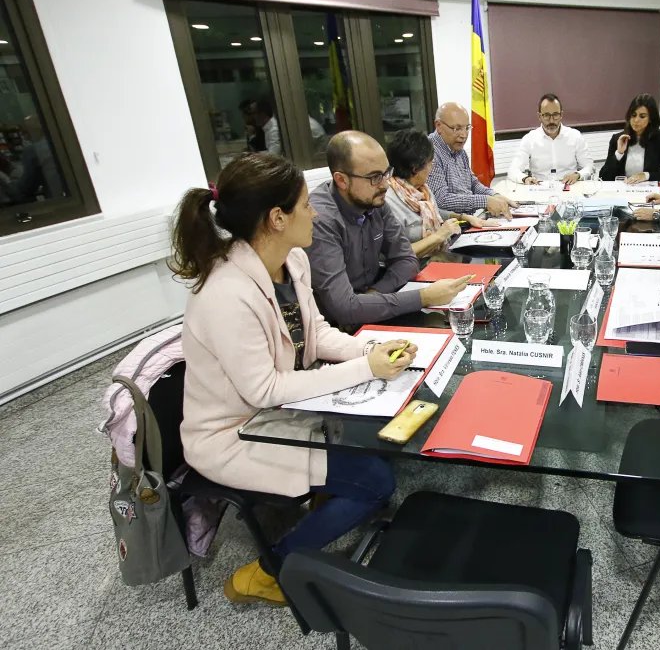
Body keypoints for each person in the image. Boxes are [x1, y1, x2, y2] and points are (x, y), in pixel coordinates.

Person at [171, 152, 417, 606]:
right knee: (376, 482)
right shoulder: (225, 293)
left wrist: (370, 351)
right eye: (307, 205)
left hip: (275, 412)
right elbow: (263, 389)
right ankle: (270, 570)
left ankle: (322, 498)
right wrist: (365, 369)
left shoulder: (292, 262)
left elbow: (317, 333)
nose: (316, 212)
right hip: (233, 434)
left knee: (384, 439)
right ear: (277, 218)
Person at [308, 130, 471, 329]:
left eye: (386, 173)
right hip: (336, 328)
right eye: (375, 177)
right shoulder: (320, 220)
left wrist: (376, 294)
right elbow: (344, 308)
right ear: (341, 180)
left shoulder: (375, 200)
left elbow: (407, 260)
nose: (386, 184)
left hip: (375, 308)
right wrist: (423, 297)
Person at [385, 128, 499, 261]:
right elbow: (397, 255)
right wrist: (439, 236)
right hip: (414, 269)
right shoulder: (389, 202)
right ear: (415, 169)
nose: (432, 167)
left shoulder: (422, 189)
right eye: (430, 163)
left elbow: (436, 212)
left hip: (438, 258)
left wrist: (465, 218)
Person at [427, 102, 517, 219]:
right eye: (457, 129)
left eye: (467, 128)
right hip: (447, 226)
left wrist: (494, 195)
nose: (464, 135)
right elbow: (441, 200)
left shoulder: (460, 151)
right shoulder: (429, 153)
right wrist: (485, 201)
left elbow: (473, 184)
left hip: (469, 219)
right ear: (439, 126)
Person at [507, 93, 594, 185]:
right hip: (540, 190)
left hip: (570, 189)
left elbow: (589, 166)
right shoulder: (529, 139)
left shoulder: (575, 136)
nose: (551, 121)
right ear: (539, 116)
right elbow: (513, 170)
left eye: (555, 115)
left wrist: (577, 175)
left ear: (561, 115)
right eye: (546, 115)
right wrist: (525, 179)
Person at [598, 93, 660, 183]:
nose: (636, 120)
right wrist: (619, 153)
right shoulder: (618, 138)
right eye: (633, 115)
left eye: (642, 116)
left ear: (650, 118)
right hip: (622, 191)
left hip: (648, 192)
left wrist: (646, 175)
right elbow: (604, 177)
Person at [245, 98, 326, 157]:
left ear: (262, 114)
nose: (250, 117)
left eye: (252, 113)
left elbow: (273, 156)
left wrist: (252, 156)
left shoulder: (275, 129)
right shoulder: (270, 127)